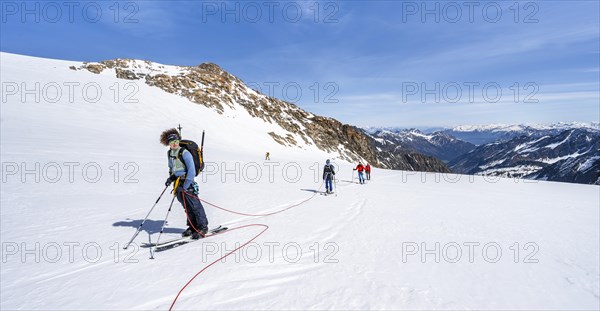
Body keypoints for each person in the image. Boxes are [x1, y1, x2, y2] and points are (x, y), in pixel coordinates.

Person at [160, 129, 209, 239]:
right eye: (172, 142)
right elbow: (172, 168)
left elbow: (191, 171)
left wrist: (185, 186)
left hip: (187, 182)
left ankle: (202, 227)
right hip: (178, 184)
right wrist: (171, 178)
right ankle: (192, 227)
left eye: (176, 141)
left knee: (195, 205)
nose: (175, 144)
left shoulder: (184, 153)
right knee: (186, 206)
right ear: (168, 144)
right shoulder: (170, 153)